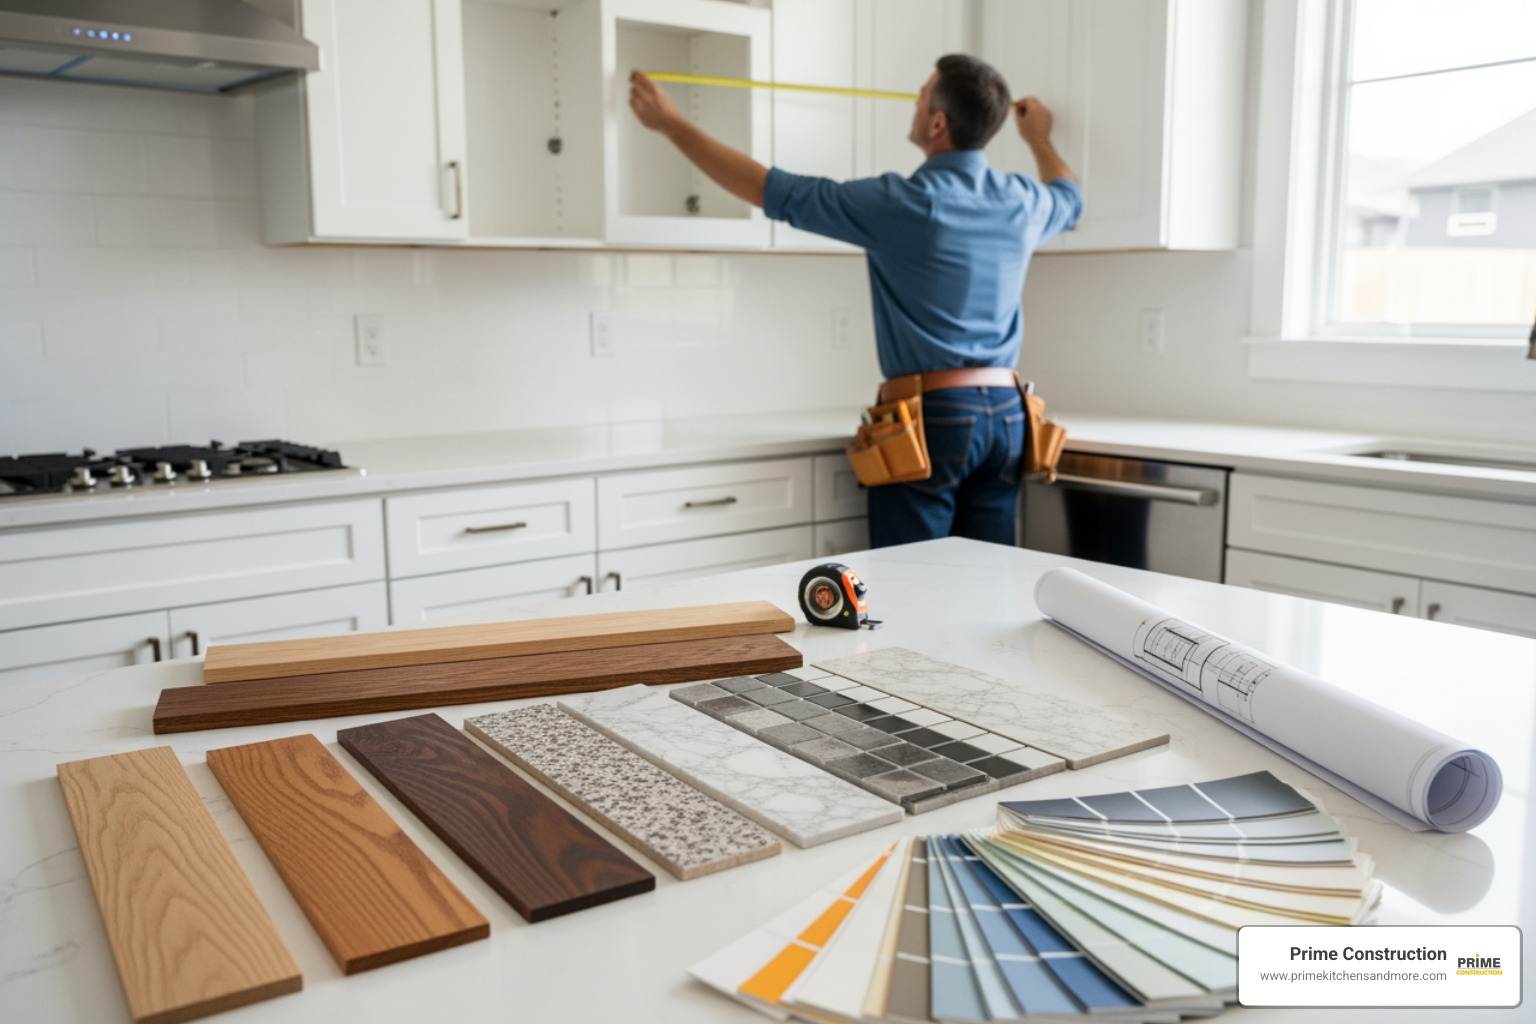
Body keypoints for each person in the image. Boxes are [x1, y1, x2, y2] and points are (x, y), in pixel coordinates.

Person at [628, 55, 1080, 547]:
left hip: (932, 419)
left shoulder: (901, 203)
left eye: (922, 94)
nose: (914, 102)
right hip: (1010, 417)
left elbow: (766, 189)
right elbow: (1070, 197)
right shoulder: (1023, 200)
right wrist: (1040, 141)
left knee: (911, 583)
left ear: (937, 123)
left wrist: (670, 125)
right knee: (989, 581)